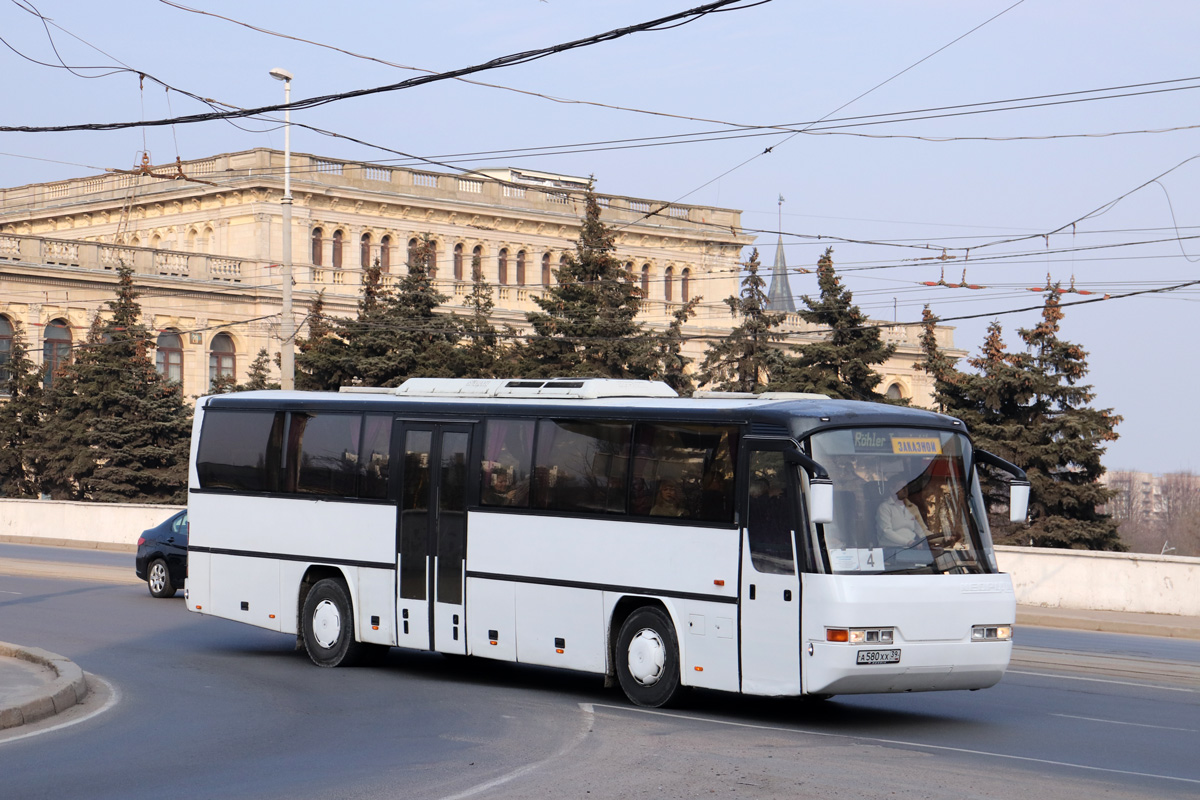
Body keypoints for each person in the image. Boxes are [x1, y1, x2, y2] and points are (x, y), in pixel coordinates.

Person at [875, 476, 931, 546]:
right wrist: (908, 542)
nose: (905, 490)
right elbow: (886, 531)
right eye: (901, 488)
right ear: (892, 489)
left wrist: (942, 538)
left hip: (911, 548)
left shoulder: (912, 507)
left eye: (906, 487)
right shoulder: (884, 507)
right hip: (891, 551)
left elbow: (922, 532)